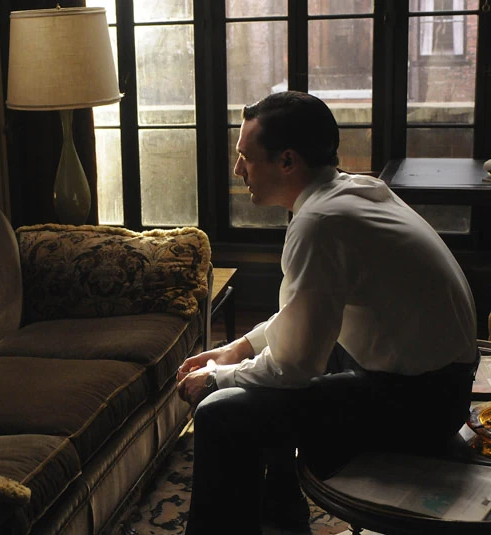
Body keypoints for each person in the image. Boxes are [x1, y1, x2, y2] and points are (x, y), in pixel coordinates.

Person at [177, 91, 478, 535]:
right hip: (439, 382)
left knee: (220, 412)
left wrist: (218, 378)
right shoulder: (349, 192)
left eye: (246, 157)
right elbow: (307, 316)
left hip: (420, 406)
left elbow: (294, 366)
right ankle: (281, 511)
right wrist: (239, 348)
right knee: (270, 370)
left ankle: (262, 516)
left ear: (287, 161)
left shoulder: (319, 223)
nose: (238, 170)